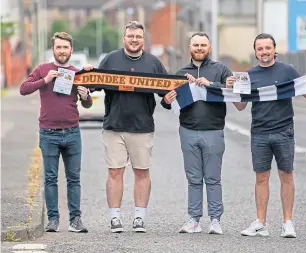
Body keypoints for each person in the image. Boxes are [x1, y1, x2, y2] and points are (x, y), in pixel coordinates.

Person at [226, 33, 306, 238]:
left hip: (284, 130)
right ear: (255, 51)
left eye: (268, 48)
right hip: (259, 132)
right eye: (260, 48)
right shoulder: (248, 76)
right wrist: (232, 90)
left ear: (274, 49)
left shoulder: (287, 71)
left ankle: (287, 223)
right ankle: (260, 223)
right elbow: (240, 107)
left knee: (286, 175)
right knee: (261, 177)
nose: (264, 52)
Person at [162, 32, 244, 234]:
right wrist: (166, 100)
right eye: (195, 45)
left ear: (210, 48)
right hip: (188, 130)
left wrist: (211, 85)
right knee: (193, 178)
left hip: (214, 130)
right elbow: (168, 102)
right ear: (189, 47)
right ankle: (193, 219)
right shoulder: (180, 73)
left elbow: (233, 91)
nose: (199, 48)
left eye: (203, 45)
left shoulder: (221, 70)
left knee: (213, 178)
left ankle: (215, 220)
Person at [97, 21, 168, 233]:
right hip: (114, 127)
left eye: (138, 36)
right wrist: (85, 80)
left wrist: (170, 99)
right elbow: (94, 83)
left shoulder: (154, 63)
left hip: (142, 127)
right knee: (115, 172)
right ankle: (114, 218)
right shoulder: (111, 59)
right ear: (124, 38)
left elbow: (166, 96)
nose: (134, 39)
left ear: (143, 39)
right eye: (130, 36)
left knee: (142, 172)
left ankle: (139, 217)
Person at [20, 32, 93, 233]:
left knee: (74, 178)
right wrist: (45, 80)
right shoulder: (43, 69)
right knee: (50, 178)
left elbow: (87, 104)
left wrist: (85, 95)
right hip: (48, 132)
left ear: (71, 50)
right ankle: (53, 220)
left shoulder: (77, 73)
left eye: (65, 47)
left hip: (72, 132)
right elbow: (23, 89)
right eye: (59, 47)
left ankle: (75, 220)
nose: (62, 51)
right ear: (54, 49)